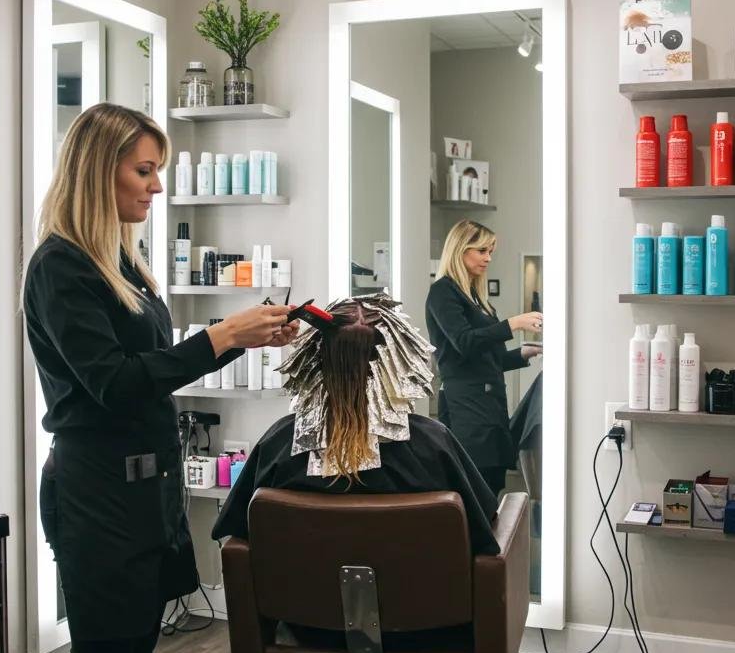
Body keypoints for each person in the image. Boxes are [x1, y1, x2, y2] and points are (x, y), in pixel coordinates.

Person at [23, 102, 297, 653]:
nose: (154, 187)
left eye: (158, 172)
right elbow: (113, 381)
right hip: (97, 495)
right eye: (142, 171)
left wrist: (244, 337)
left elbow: (154, 367)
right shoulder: (58, 267)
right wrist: (219, 336)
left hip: (147, 488)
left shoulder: (120, 261)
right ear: (97, 168)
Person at [213, 295, 501, 556]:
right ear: (399, 360)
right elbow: (483, 533)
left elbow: (239, 532)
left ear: (316, 358)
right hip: (420, 609)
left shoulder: (280, 443)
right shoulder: (434, 444)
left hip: (303, 612)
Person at [425, 219, 543, 496]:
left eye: (490, 251)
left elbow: (492, 360)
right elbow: (464, 343)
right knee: (476, 486)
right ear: (460, 249)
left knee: (493, 482)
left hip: (491, 406)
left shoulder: (477, 298)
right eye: (482, 251)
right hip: (467, 407)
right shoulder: (444, 292)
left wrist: (525, 353)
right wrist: (513, 324)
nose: (488, 258)